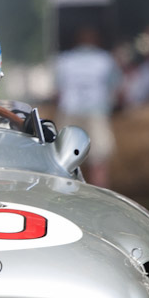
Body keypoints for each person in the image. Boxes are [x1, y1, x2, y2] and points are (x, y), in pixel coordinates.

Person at [53, 26, 120, 187]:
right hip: (96, 112)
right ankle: (99, 201)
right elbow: (117, 89)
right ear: (96, 42)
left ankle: (62, 198)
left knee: (64, 161)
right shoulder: (106, 60)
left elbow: (57, 92)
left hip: (69, 110)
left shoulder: (64, 61)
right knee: (99, 162)